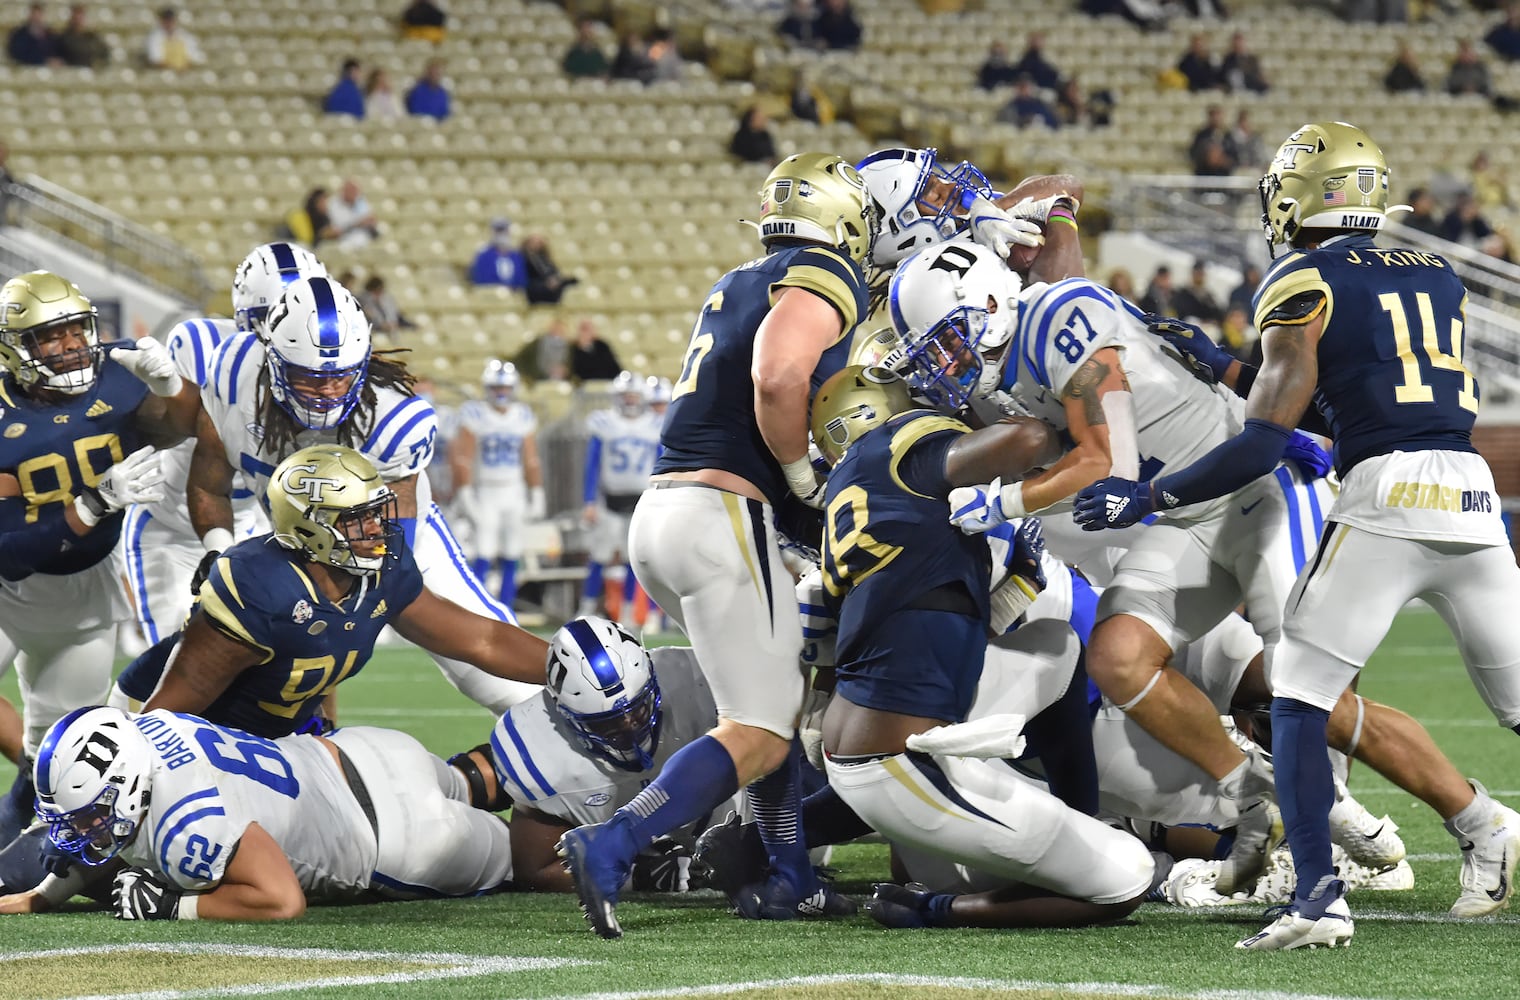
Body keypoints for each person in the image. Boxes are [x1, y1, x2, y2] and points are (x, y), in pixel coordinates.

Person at [1073, 122, 1520, 948]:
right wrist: (1226, 366)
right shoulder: (1438, 270)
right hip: (1470, 494)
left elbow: (1263, 441)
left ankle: (1317, 899)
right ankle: (1486, 829)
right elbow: (1347, 394)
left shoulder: (1300, 278)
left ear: (1300, 193)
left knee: (1299, 702)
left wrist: (1146, 497)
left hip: (1387, 496)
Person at [887, 239, 1333, 900]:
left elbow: (1106, 463)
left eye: (946, 342)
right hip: (1152, 547)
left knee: (1299, 681)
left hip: (1219, 508)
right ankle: (1273, 808)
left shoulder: (1050, 334)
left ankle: (1343, 838)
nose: (942, 366)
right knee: (1131, 672)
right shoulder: (1001, 394)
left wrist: (1001, 501)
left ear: (988, 304)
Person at [556, 152, 878, 939]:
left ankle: (789, 875)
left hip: (667, 514)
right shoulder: (820, 272)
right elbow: (778, 377)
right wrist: (804, 476)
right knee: (763, 729)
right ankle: (614, 841)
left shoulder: (738, 280)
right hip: (722, 510)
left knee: (763, 706)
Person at [806, 366, 1155, 929]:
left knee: (1055, 643)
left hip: (877, 734)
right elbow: (1029, 439)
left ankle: (1071, 817)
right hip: (900, 765)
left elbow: (931, 632)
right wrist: (1048, 454)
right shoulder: (905, 445)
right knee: (1129, 877)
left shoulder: (859, 493)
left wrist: (1018, 582)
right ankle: (934, 907)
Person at [187, 275, 541, 718]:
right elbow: (207, 482)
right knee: (246, 690)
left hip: (387, 546)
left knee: (496, 680)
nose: (329, 394)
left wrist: (363, 603)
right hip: (293, 548)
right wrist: (217, 550)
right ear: (272, 361)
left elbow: (395, 538)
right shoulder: (233, 377)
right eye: (311, 378)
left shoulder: (390, 416)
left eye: (341, 377)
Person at [0, 270, 202, 842]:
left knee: (58, 743)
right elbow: (7, 550)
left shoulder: (116, 372)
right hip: (6, 580)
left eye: (75, 331)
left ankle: (15, 845)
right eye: (49, 337)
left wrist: (169, 386)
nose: (68, 347)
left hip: (79, 586)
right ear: (13, 349)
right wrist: (92, 503)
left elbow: (184, 428)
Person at [0, 703, 512, 919]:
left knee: (536, 864)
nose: (85, 830)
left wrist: (176, 907)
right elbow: (115, 832)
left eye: (90, 815)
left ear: (128, 787)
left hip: (398, 839)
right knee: (497, 778)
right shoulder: (147, 728)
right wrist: (41, 898)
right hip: (358, 750)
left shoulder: (187, 831)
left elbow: (281, 899)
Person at [120, 241, 319, 653]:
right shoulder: (201, 342)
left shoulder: (313, 367)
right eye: (274, 314)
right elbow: (194, 424)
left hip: (254, 526)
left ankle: (318, 723)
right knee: (182, 659)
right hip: (170, 529)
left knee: (298, 650)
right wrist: (172, 388)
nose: (286, 325)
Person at [449, 619, 730, 893]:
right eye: (609, 723)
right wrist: (647, 875)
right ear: (565, 715)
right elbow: (537, 869)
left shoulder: (696, 682)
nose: (631, 728)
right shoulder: (541, 747)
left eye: (637, 709)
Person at [452, 360, 542, 611]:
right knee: (484, 549)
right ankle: (477, 607)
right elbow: (464, 458)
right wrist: (465, 492)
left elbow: (531, 459)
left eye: (505, 388)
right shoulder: (475, 414)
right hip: (486, 490)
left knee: (513, 550)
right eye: (496, 388)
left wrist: (536, 491)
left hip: (514, 490)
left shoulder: (522, 415)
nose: (501, 393)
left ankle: (506, 607)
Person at [578, 372, 661, 625]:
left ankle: (627, 613)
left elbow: (661, 463)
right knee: (599, 558)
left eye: (634, 396)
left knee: (632, 561)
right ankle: (586, 609)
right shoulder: (604, 423)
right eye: (626, 396)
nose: (630, 401)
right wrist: (589, 500)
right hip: (609, 502)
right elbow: (591, 465)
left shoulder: (654, 425)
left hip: (641, 502)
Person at [469, 218, 528, 290]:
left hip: (515, 294)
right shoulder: (483, 256)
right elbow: (482, 279)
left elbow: (522, 278)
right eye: (498, 230)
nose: (501, 234)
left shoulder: (517, 256)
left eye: (503, 230)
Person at [522, 234, 577, 306]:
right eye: (533, 241)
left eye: (539, 242)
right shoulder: (525, 258)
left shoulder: (545, 259)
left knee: (573, 281)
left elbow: (554, 272)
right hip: (535, 288)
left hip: (552, 286)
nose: (536, 244)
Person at [144, 7, 203, 71]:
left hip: (184, 71)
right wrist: (173, 67)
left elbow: (194, 56)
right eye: (167, 20)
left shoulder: (183, 36)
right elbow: (156, 60)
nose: (169, 23)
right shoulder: (155, 38)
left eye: (171, 20)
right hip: (164, 72)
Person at [327, 179, 379, 251]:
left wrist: (371, 222)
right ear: (344, 191)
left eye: (356, 191)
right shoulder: (333, 203)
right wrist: (359, 223)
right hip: (343, 241)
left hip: (364, 239)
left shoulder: (360, 201)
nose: (354, 193)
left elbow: (369, 218)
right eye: (351, 190)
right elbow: (339, 228)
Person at [1189, 105, 1238, 177]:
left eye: (1218, 115)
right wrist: (1207, 156)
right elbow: (1193, 154)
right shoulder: (1201, 135)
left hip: (1223, 178)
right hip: (1204, 176)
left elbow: (1235, 157)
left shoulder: (1228, 136)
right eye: (1213, 115)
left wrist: (1222, 160)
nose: (1215, 118)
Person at [55, 5, 107, 69]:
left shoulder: (92, 37)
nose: (78, 21)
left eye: (80, 18)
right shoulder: (63, 38)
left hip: (89, 71)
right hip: (71, 71)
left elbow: (104, 52)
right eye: (75, 18)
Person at [1174, 261, 1224, 325]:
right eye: (1197, 273)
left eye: (1201, 274)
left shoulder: (1208, 296)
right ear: (1193, 274)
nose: (1199, 277)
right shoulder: (1183, 293)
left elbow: (1218, 315)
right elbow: (1180, 313)